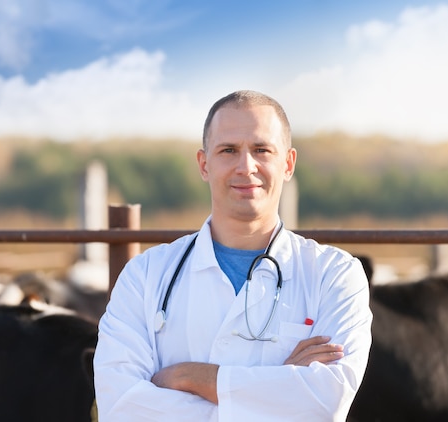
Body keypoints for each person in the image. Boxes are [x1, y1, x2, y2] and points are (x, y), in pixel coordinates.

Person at [94, 90, 373, 421]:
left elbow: (325, 401)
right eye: (228, 150)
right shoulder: (145, 275)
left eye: (261, 150)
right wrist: (279, 387)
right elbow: (121, 407)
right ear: (204, 164)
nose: (246, 167)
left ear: (288, 163)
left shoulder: (335, 274)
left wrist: (189, 378)